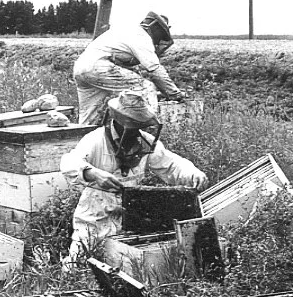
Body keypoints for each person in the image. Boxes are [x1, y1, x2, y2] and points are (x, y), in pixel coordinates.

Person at [60, 90, 208, 266]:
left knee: (124, 266)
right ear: (119, 121)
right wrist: (93, 173)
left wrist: (193, 174)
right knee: (77, 264)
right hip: (94, 215)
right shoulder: (95, 140)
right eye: (133, 125)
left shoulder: (145, 140)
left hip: (130, 214)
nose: (137, 130)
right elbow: (69, 161)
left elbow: (171, 164)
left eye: (140, 125)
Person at [72, 11, 186, 126]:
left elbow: (127, 71)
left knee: (89, 117)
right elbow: (155, 71)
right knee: (146, 87)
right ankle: (150, 129)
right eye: (161, 35)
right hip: (99, 66)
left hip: (81, 67)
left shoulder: (127, 31)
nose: (159, 40)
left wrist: (161, 92)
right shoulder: (142, 37)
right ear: (155, 28)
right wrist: (174, 93)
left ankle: (80, 139)